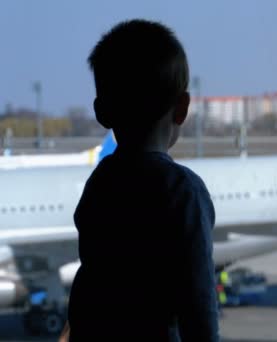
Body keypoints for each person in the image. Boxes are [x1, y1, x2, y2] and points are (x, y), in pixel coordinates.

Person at [66, 19, 219, 341]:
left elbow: (87, 288)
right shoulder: (182, 190)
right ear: (182, 109)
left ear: (101, 111)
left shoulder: (101, 183)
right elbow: (199, 302)